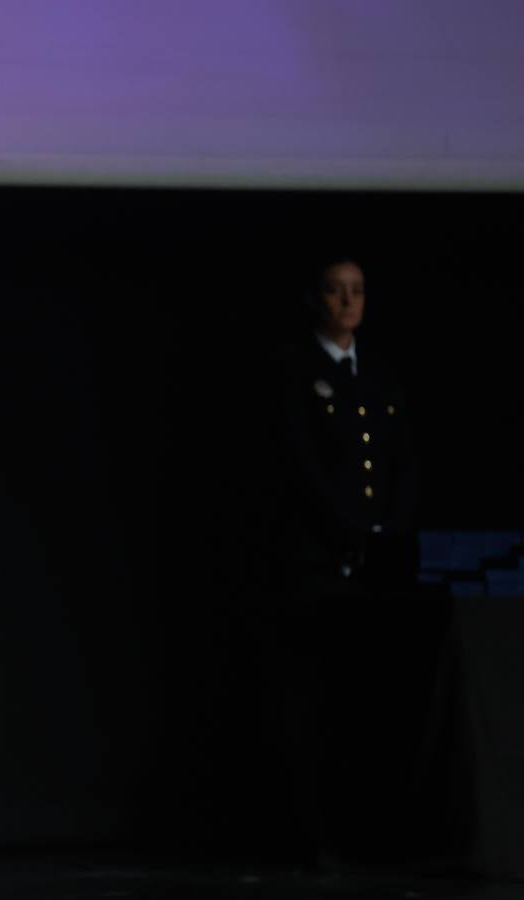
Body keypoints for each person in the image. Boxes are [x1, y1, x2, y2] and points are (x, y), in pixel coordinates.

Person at [262, 254, 442, 869]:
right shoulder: (295, 371)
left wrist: (389, 530)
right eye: (336, 292)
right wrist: (349, 532)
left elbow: (404, 462)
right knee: (311, 705)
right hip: (316, 560)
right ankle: (312, 836)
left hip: (374, 567)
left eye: (357, 291)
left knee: (369, 707)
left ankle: (372, 830)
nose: (348, 303)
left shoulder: (380, 377)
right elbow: (302, 466)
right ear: (316, 299)